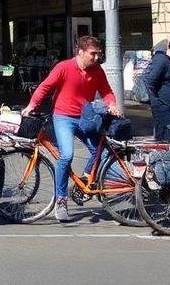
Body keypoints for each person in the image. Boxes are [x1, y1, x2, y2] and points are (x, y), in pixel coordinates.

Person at [23, 35, 119, 222]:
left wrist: (112, 104)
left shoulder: (97, 70)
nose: (97, 58)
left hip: (85, 117)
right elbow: (45, 87)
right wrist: (32, 105)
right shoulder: (64, 67)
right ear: (80, 52)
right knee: (66, 155)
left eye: (98, 54)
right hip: (63, 117)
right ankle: (61, 200)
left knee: (100, 152)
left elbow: (106, 91)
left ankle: (84, 181)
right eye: (93, 54)